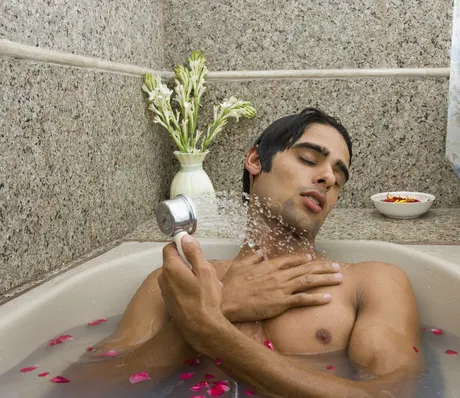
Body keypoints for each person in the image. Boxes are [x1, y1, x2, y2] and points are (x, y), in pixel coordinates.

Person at [60, 108, 421, 397]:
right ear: (255, 160)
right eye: (310, 160)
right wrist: (220, 305)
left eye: (338, 179)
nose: (327, 177)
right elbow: (83, 388)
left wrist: (207, 327)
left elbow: (387, 393)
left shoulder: (371, 282)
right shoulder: (179, 283)